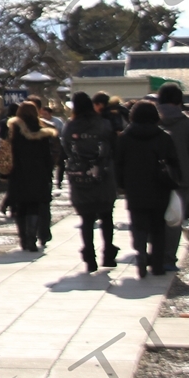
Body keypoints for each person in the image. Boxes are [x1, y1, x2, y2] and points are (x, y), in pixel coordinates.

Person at [115, 100, 184, 277]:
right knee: (158, 228)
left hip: (135, 188)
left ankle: (141, 254)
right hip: (160, 188)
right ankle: (158, 265)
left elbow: (118, 164)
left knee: (138, 225)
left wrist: (122, 185)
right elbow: (175, 164)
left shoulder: (124, 138)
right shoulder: (164, 137)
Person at [61, 93, 118, 271]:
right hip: (103, 174)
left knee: (86, 219)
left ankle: (89, 256)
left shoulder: (70, 126)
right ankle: (108, 253)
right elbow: (113, 146)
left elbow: (66, 149)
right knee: (106, 216)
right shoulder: (104, 123)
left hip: (80, 176)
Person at [154, 83, 189, 269]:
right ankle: (168, 258)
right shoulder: (187, 122)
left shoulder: (153, 119)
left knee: (156, 216)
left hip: (154, 176)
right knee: (174, 218)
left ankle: (154, 254)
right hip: (180, 178)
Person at [5, 100, 61, 252]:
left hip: (19, 173)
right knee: (34, 207)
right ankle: (32, 238)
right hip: (39, 174)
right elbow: (48, 156)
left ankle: (23, 238)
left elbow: (8, 150)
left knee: (20, 207)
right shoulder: (43, 131)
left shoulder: (14, 129)